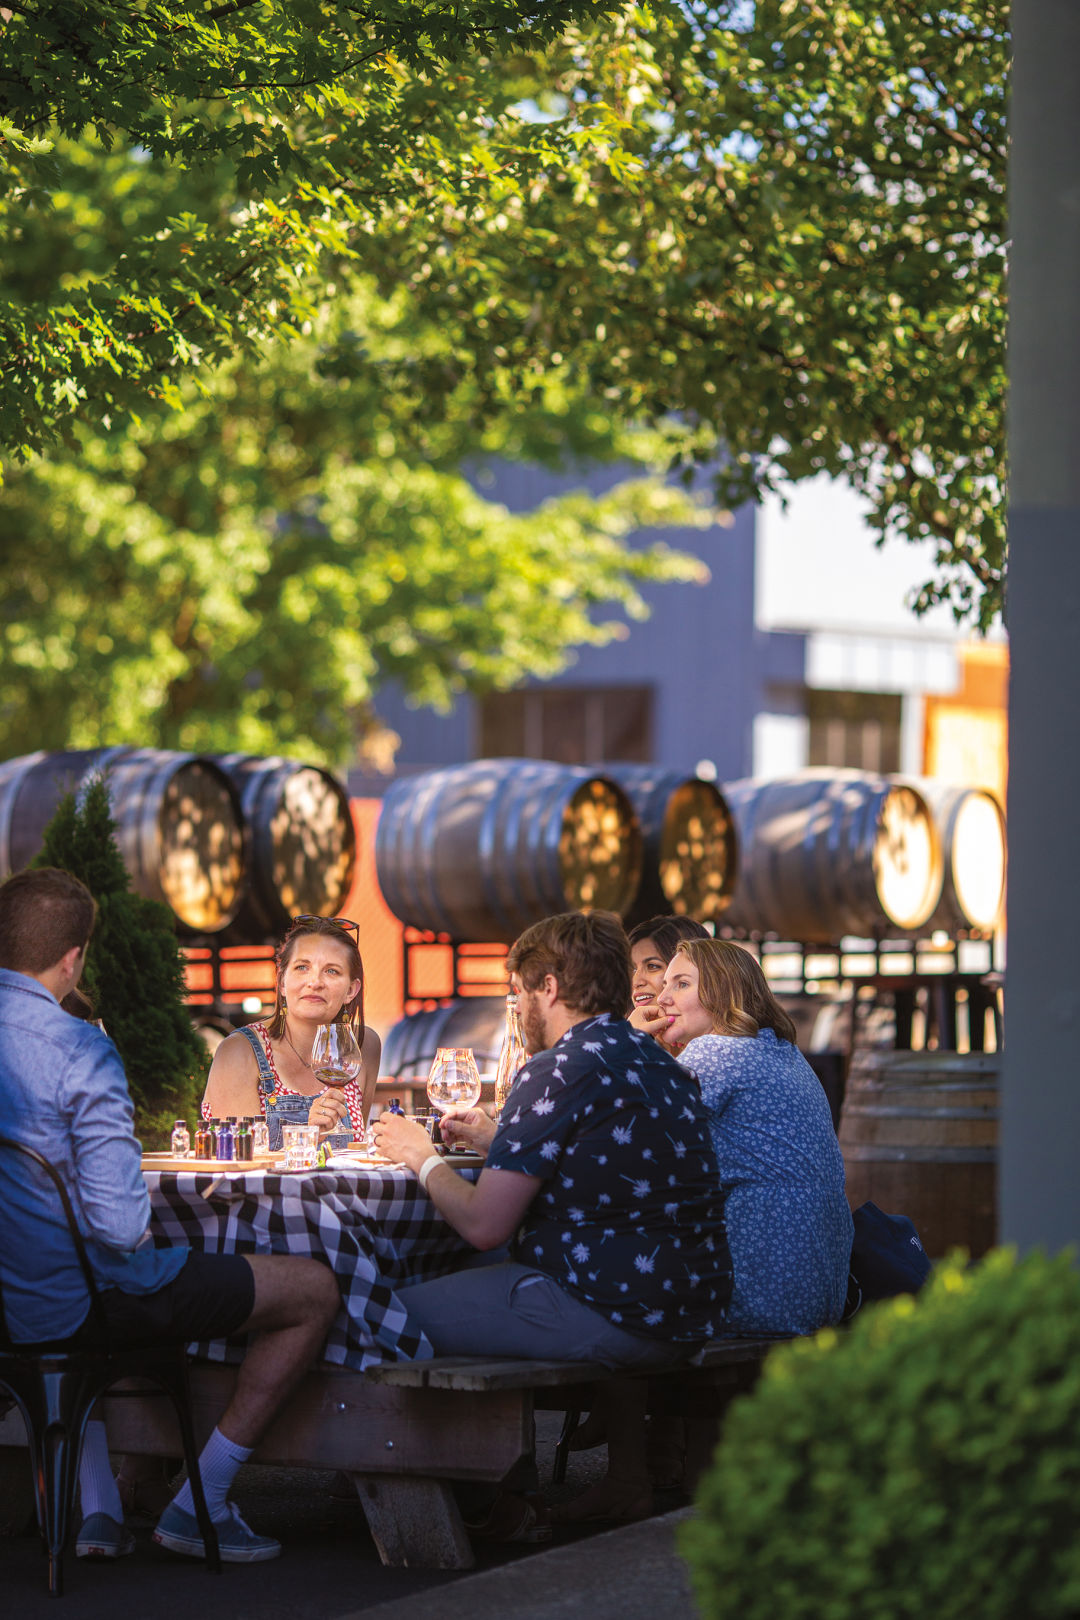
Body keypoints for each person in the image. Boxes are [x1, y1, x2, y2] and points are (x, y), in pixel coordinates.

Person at [0, 868, 341, 1564]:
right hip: (73, 1306)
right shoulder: (78, 1049)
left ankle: (98, 1506)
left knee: (63, 1281)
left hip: (10, 1302)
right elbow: (122, 1230)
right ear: (74, 960)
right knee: (313, 1289)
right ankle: (200, 1501)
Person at [373, 909, 731, 1530]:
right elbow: (596, 1169)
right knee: (474, 1268)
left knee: (378, 1313)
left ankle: (475, 1495)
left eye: (518, 993)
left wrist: (420, 1156)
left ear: (548, 988)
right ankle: (541, 1481)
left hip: (617, 1310)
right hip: (690, 1304)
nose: (516, 1010)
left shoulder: (559, 1068)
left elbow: (486, 1223)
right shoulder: (659, 1063)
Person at [655, 937, 853, 1336]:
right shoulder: (782, 1051)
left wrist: (631, 1043)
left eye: (680, 984)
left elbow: (633, 1138)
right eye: (664, 985)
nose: (661, 998)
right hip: (821, 1289)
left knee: (615, 1296)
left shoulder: (715, 1050)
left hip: (760, 1292)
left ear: (723, 990)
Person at [201, 915, 381, 1151]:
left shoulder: (364, 1046)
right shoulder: (239, 1052)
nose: (315, 982)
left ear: (351, 990)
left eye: (332, 971)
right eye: (302, 967)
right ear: (282, 982)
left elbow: (355, 1152)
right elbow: (238, 1165)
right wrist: (309, 1137)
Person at [626, 914, 710, 1034]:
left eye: (652, 966)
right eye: (633, 969)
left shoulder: (718, 1048)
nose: (636, 982)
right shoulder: (618, 1038)